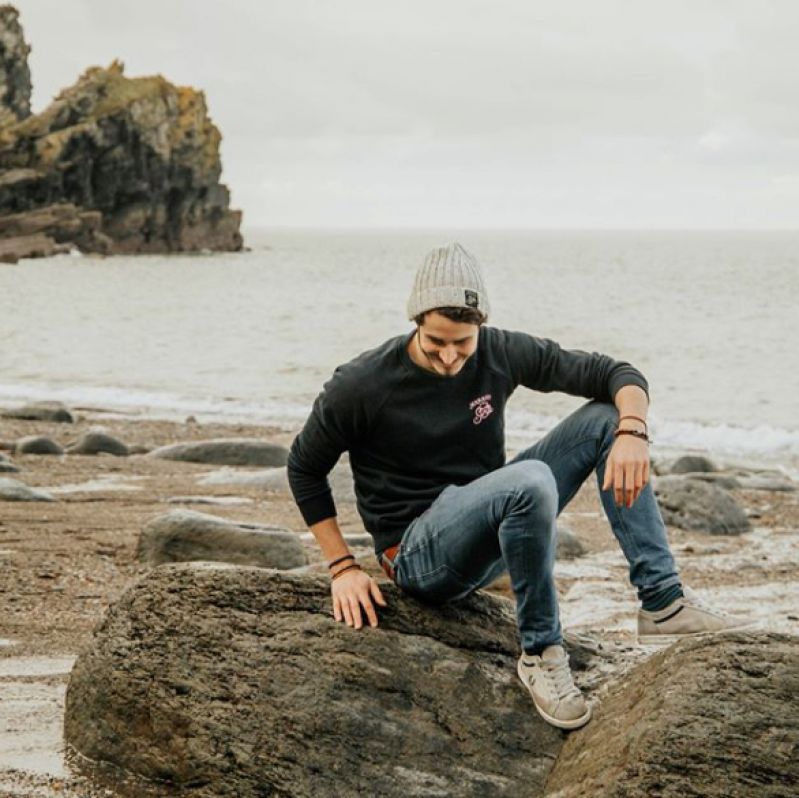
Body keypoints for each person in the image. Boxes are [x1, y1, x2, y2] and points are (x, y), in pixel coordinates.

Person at [287, 242, 750, 730]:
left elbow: (615, 373)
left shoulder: (500, 352)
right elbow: (304, 467)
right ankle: (541, 652)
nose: (449, 357)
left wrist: (632, 430)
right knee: (529, 480)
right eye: (436, 342)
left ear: (480, 326)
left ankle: (662, 603)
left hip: (491, 525)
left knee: (604, 419)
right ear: (416, 321)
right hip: (418, 555)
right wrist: (341, 566)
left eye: (462, 343)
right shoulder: (361, 384)